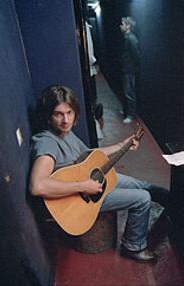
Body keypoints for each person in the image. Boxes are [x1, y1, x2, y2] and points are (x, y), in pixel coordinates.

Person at [29, 85, 169, 263]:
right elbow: (37, 186)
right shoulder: (46, 143)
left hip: (88, 183)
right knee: (142, 198)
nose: (66, 120)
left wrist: (122, 146)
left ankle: (173, 201)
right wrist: (82, 186)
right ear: (48, 116)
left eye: (69, 112)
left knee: (140, 184)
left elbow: (90, 157)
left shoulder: (67, 134)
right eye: (58, 114)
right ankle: (133, 246)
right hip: (78, 199)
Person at [118, 16, 140, 124]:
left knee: (129, 92)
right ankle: (127, 111)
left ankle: (131, 115)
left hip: (129, 70)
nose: (120, 26)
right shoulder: (127, 37)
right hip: (126, 69)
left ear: (128, 26)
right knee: (126, 91)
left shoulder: (131, 39)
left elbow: (136, 56)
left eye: (122, 24)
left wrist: (133, 68)